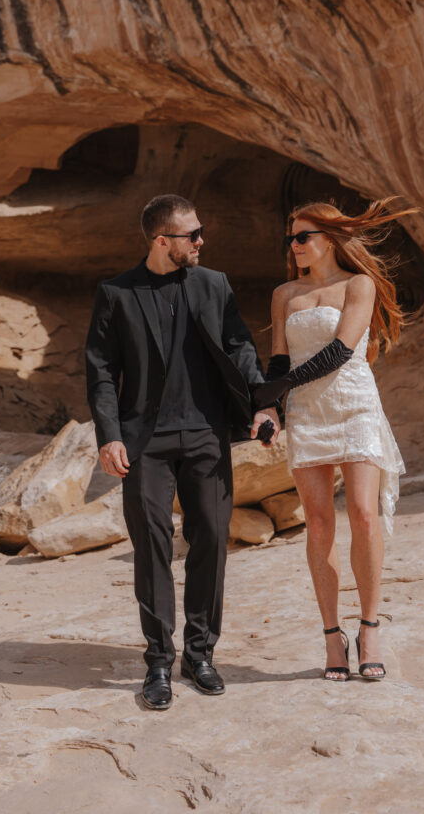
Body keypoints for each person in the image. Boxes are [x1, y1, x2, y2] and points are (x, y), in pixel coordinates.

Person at [85, 194, 278, 710]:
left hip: (206, 433)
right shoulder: (116, 293)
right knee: (151, 547)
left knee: (212, 538)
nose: (201, 241)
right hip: (144, 441)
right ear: (161, 240)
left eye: (200, 231)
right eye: (191, 234)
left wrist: (263, 405)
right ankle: (157, 662)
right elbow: (101, 370)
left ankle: (200, 653)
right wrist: (109, 434)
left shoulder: (213, 284)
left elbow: (239, 347)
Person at [255, 198, 417, 682]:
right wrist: (267, 407)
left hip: (353, 404)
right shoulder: (285, 294)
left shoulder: (358, 285)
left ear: (328, 239)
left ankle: (369, 629)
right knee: (319, 523)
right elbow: (279, 361)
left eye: (303, 237)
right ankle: (332, 635)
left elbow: (341, 352)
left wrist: (279, 390)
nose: (295, 246)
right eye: (291, 239)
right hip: (307, 412)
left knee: (365, 516)